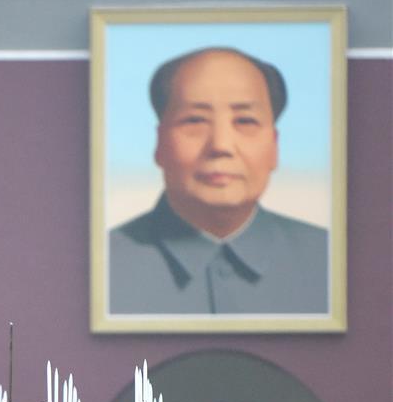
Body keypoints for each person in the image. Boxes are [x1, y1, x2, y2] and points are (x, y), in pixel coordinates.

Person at [109, 47, 328, 315]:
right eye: (195, 120)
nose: (221, 145)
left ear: (274, 146)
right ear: (159, 144)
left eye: (245, 120)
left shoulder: (332, 260)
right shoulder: (101, 266)